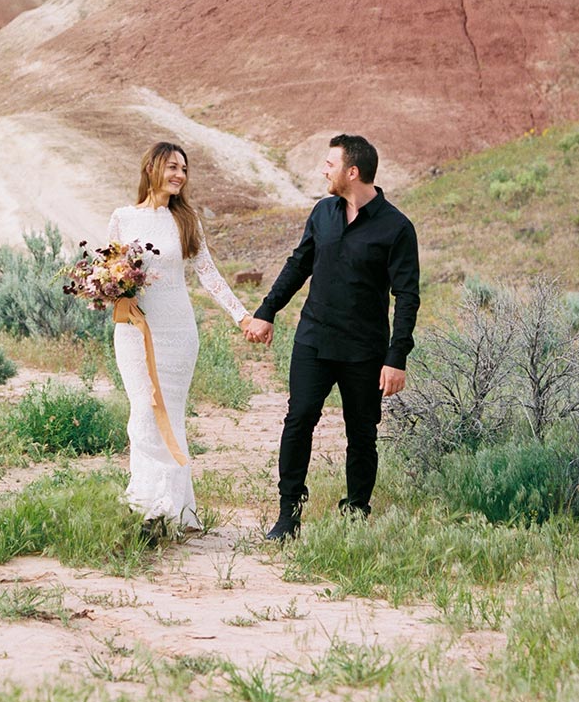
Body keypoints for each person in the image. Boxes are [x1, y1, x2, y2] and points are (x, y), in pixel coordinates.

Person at [244, 133, 420, 540]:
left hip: (365, 351)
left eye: (330, 163)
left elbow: (407, 296)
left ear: (352, 171)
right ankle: (289, 514)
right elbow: (298, 264)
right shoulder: (323, 213)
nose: (324, 169)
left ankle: (356, 511)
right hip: (314, 341)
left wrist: (397, 357)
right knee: (299, 419)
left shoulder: (397, 228)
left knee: (362, 434)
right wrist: (267, 311)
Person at [108, 141, 252, 531]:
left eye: (184, 170)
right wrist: (108, 288)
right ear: (152, 167)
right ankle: (147, 502)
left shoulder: (185, 221)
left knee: (169, 414)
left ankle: (173, 509)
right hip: (134, 330)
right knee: (142, 411)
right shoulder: (122, 218)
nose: (179, 176)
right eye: (173, 167)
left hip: (177, 330)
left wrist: (241, 317)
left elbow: (209, 274)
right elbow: (110, 273)